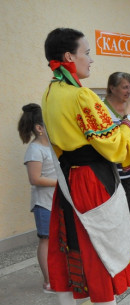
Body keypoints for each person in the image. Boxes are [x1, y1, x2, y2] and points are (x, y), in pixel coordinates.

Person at [42, 28, 130, 305]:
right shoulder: (81, 96)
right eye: (86, 53)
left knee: (70, 240)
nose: (91, 59)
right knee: (100, 243)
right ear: (68, 56)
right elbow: (114, 146)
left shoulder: (51, 91)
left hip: (68, 178)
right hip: (91, 180)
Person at [18, 103, 57, 293]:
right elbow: (35, 179)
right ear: (39, 128)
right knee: (46, 240)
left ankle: (58, 275)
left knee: (56, 240)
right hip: (44, 204)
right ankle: (48, 281)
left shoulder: (51, 145)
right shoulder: (35, 150)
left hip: (56, 201)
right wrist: (60, 184)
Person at [102, 72, 130, 217]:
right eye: (125, 87)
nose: (129, 91)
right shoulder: (101, 109)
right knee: (112, 212)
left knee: (128, 209)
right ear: (112, 88)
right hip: (110, 170)